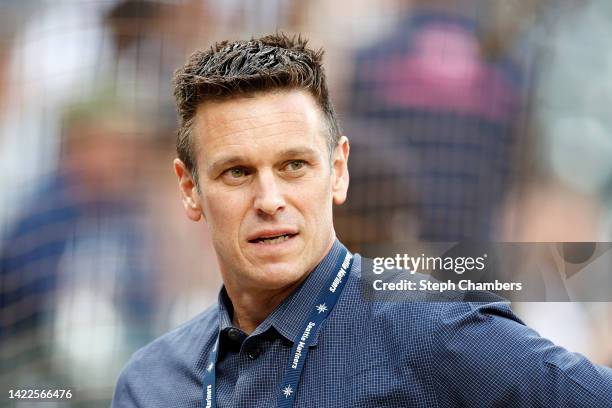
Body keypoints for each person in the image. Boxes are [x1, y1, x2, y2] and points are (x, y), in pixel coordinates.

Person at [111, 33, 612, 407]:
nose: (269, 199)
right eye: (237, 172)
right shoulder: (150, 381)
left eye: (294, 166)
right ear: (190, 188)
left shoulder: (434, 328)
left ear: (338, 171)